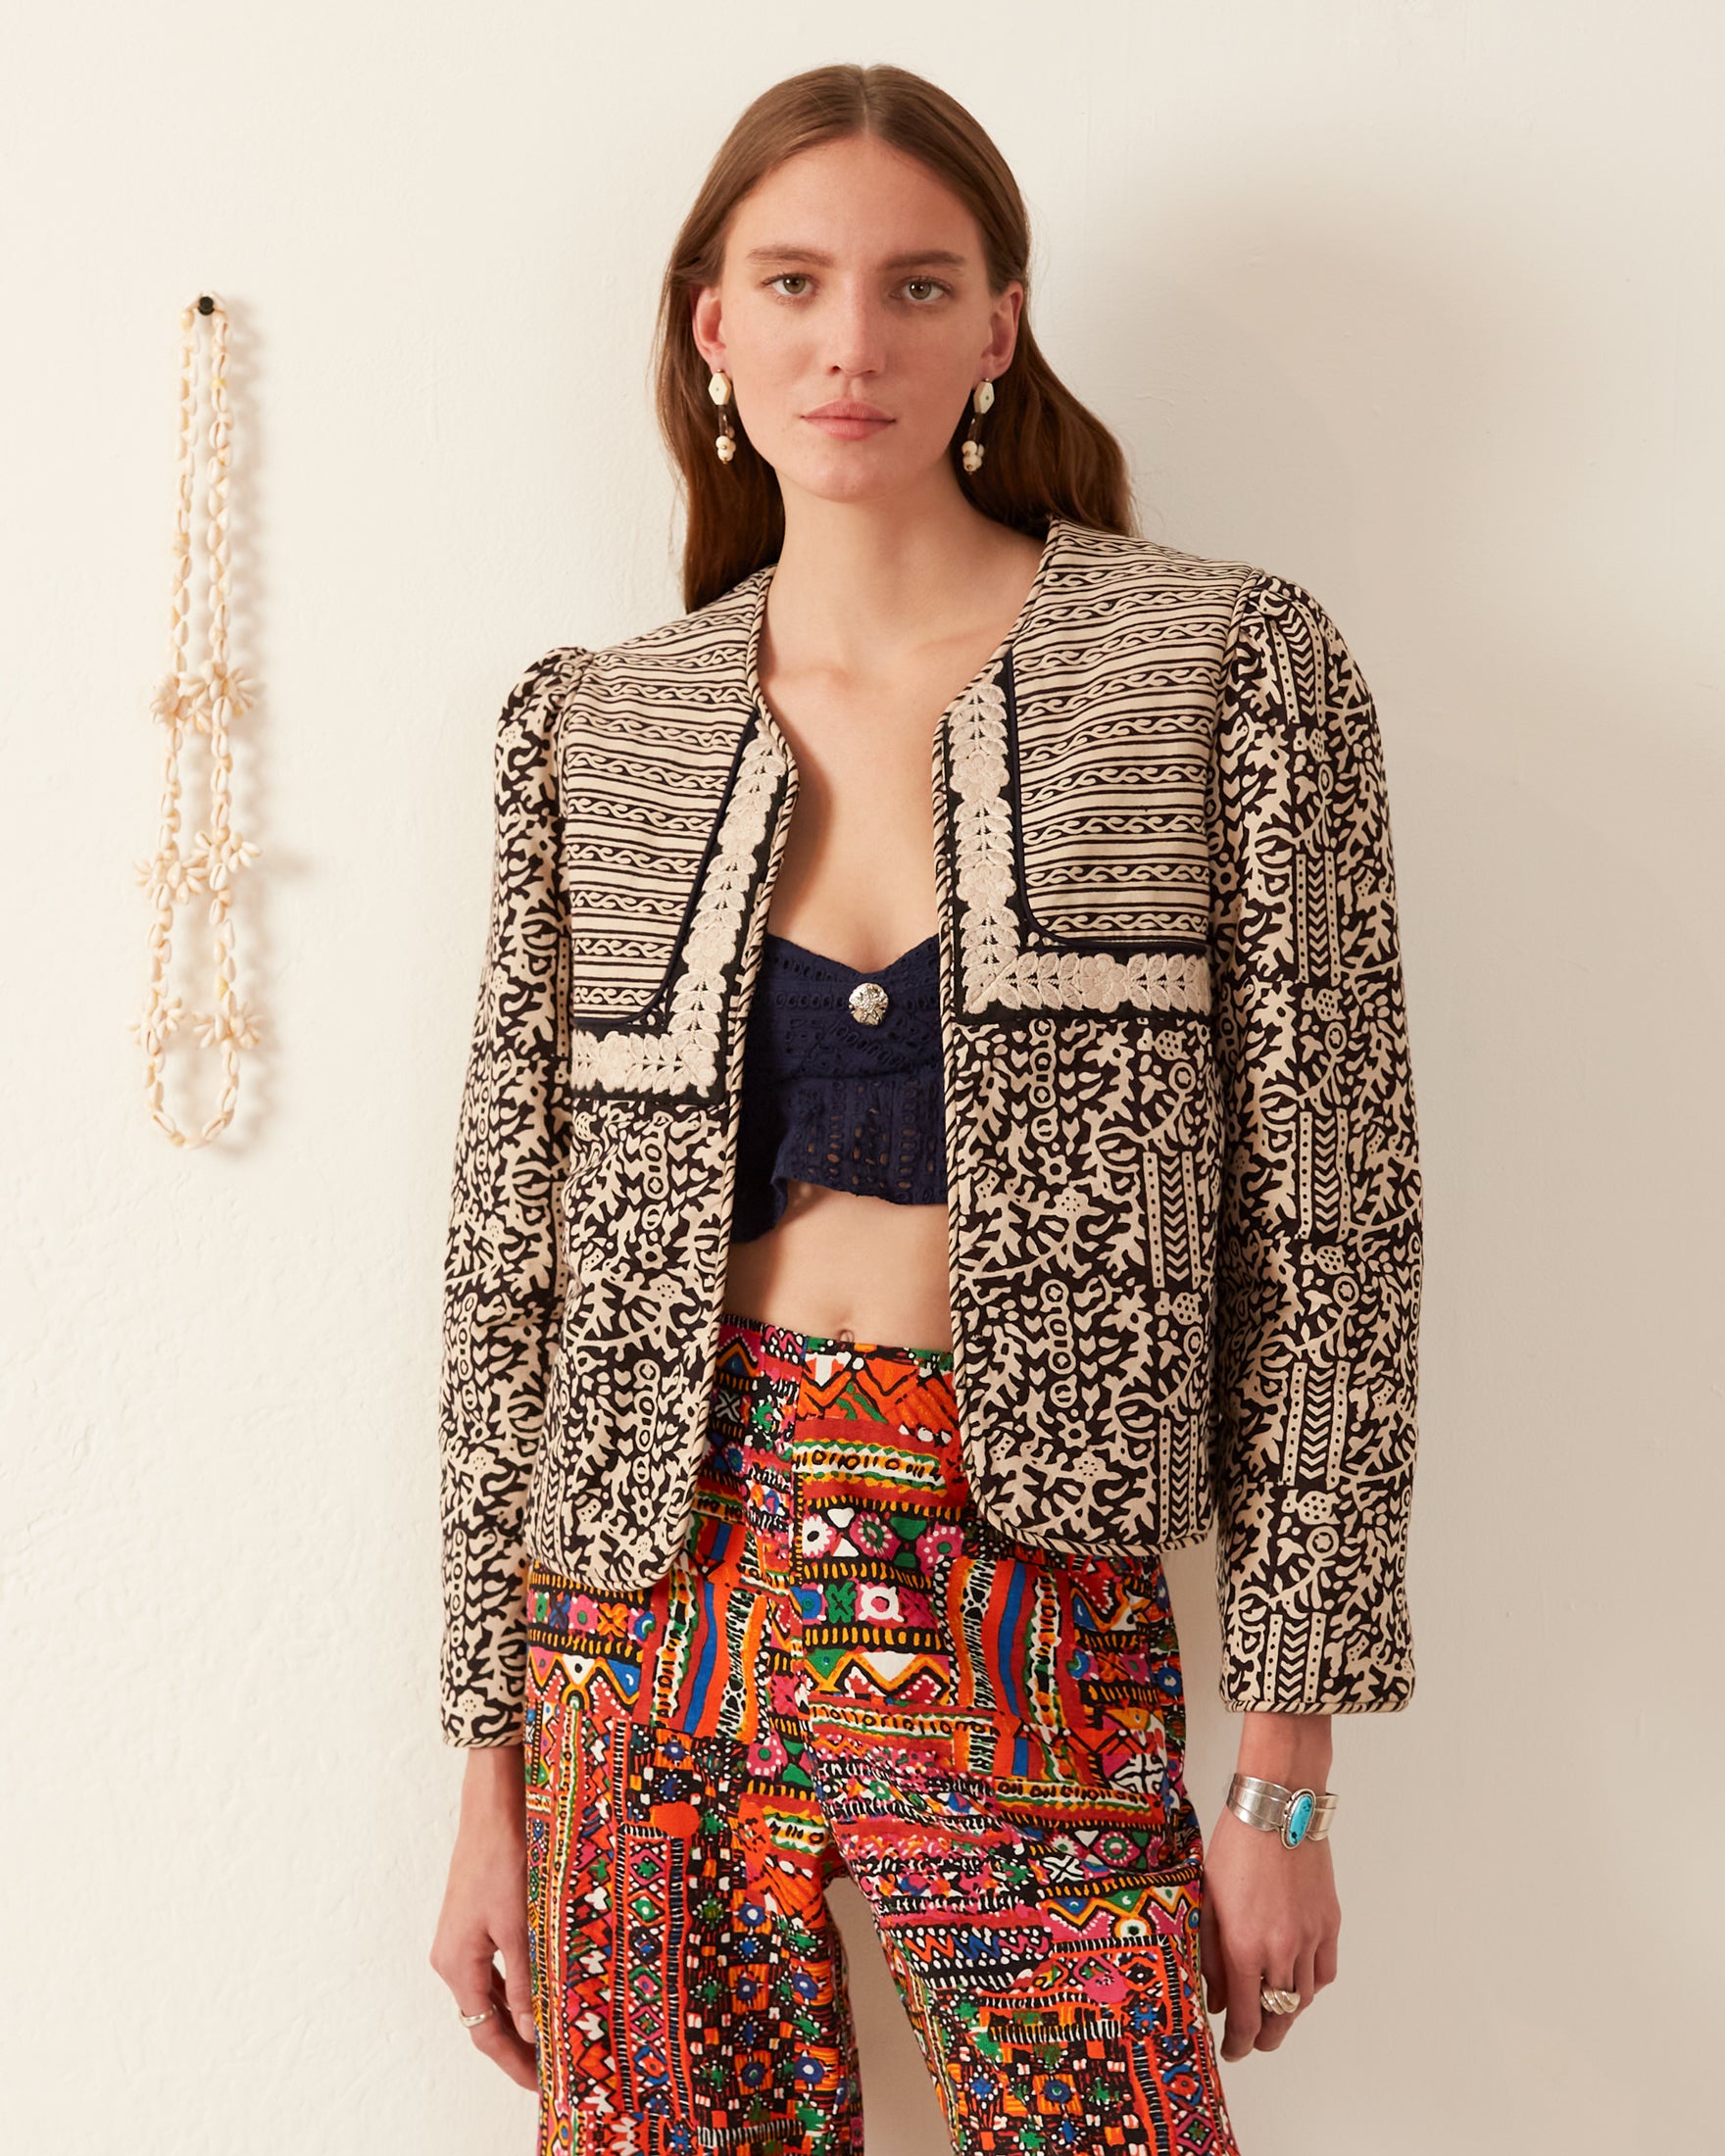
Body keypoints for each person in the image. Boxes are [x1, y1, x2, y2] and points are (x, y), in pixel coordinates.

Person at [428, 61, 1422, 2156]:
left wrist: (1283, 1776)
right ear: (713, 323)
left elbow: (1339, 1239)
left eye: (915, 284)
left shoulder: (1220, 667)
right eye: (793, 283)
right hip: (647, 1604)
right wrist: (489, 1777)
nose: (850, 344)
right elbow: (508, 1270)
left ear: (1000, 323)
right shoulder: (593, 725)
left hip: (1031, 1582)